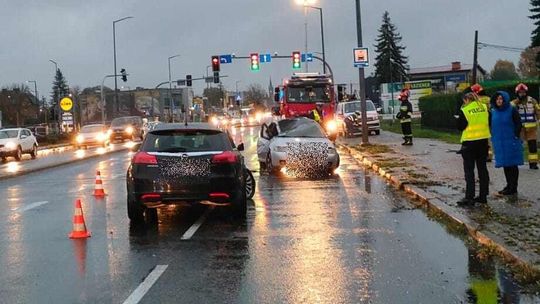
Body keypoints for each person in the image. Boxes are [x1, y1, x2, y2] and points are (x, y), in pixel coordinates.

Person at [456, 92, 491, 206]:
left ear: (466, 100)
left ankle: (469, 197)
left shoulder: (465, 110)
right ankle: (483, 196)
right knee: (482, 169)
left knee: (469, 171)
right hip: (483, 142)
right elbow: (489, 122)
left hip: (469, 143)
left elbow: (460, 126)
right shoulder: (484, 107)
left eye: (464, 101)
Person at [490, 91, 523, 196]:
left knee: (512, 164)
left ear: (505, 100)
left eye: (501, 99)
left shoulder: (512, 110)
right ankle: (509, 185)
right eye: (497, 99)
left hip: (511, 140)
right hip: (499, 142)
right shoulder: (494, 111)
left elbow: (518, 123)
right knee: (505, 165)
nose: (499, 101)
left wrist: (515, 136)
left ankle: (513, 187)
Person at [511, 83, 540, 170]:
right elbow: (509, 107)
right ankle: (515, 162)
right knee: (517, 146)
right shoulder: (514, 102)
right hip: (520, 129)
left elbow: (538, 111)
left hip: (531, 128)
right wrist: (517, 100)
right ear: (517, 93)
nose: (522, 94)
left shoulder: (532, 100)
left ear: (526, 92)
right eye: (520, 92)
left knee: (532, 146)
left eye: (523, 92)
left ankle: (533, 163)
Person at [471, 84, 494, 162]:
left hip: (479, 121)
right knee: (488, 138)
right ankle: (489, 155)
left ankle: (480, 154)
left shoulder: (476, 100)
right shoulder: (489, 99)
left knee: (479, 138)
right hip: (489, 120)